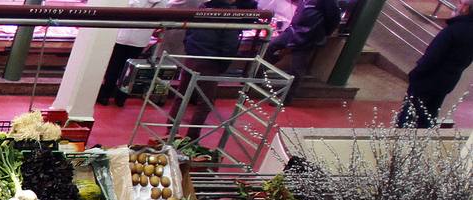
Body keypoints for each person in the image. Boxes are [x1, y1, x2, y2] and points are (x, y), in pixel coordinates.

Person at [175, 0, 260, 128]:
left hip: (192, 57)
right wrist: (222, 64)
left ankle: (170, 131)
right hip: (210, 61)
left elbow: (189, 32)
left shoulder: (203, 8)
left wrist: (190, 50)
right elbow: (229, 45)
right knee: (205, 103)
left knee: (181, 97)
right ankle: (191, 138)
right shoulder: (230, 15)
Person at [396, 0, 473, 128]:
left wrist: (416, 74)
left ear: (465, 8)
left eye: (460, 3)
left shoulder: (452, 31)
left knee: (408, 117)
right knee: (428, 116)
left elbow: (432, 57)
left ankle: (400, 144)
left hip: (427, 80)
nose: (457, 6)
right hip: (448, 81)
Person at [265, 0, 343, 100]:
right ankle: (258, 75)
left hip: (308, 36)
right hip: (293, 30)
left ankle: (286, 98)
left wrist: (322, 33)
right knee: (270, 47)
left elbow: (334, 18)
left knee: (296, 69)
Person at [98, 0, 170, 107]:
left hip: (122, 36)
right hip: (140, 39)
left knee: (114, 67)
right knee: (130, 70)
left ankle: (105, 95)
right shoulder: (163, 2)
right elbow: (162, 16)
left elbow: (124, 8)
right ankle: (121, 98)